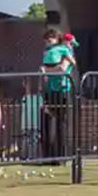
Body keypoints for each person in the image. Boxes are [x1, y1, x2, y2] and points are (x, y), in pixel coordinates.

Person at [40, 26, 76, 160]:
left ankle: (61, 156)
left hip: (63, 91)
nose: (48, 42)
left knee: (62, 123)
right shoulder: (48, 53)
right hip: (51, 91)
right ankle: (48, 156)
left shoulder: (65, 51)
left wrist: (46, 70)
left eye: (51, 39)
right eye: (46, 40)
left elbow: (62, 68)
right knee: (48, 121)